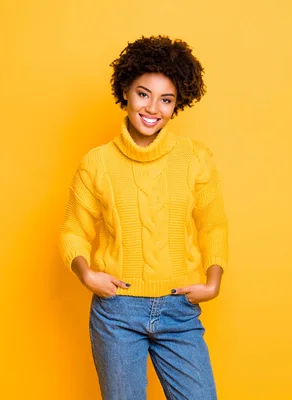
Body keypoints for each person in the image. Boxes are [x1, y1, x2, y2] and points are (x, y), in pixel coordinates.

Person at [59, 35, 228, 400]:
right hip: (117, 312)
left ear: (177, 103)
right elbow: (74, 230)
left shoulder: (195, 158)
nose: (153, 108)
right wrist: (86, 273)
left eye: (166, 99)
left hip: (179, 310)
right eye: (143, 94)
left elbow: (213, 224)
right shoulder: (96, 163)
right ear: (125, 90)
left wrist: (213, 281)